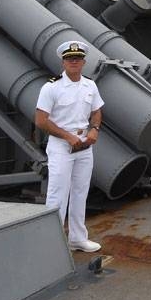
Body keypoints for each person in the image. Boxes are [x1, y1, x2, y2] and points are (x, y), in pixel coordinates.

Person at [35, 41, 105, 253]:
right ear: (63, 62)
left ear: (83, 62)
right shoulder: (51, 87)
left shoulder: (90, 85)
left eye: (77, 58)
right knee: (58, 193)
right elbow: (41, 120)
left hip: (84, 145)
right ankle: (51, 243)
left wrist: (94, 130)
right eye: (69, 58)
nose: (73, 62)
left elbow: (97, 110)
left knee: (80, 192)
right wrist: (67, 137)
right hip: (61, 146)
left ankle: (77, 239)